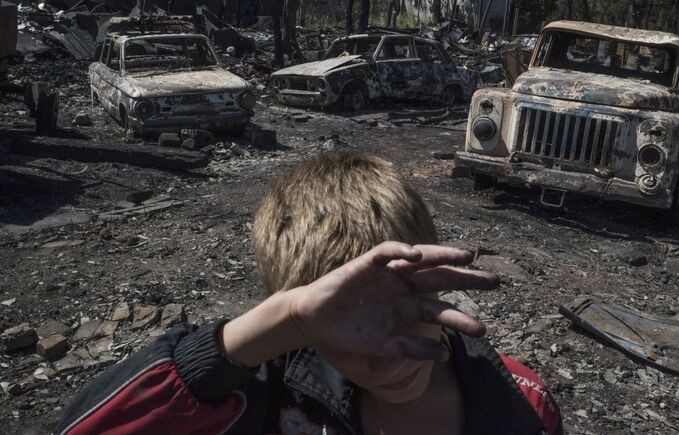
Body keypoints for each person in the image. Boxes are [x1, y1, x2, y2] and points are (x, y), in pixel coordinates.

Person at [58, 152, 562, 435]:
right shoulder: (270, 389)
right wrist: (285, 322)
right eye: (347, 330)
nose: (386, 362)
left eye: (399, 310)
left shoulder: (520, 404)